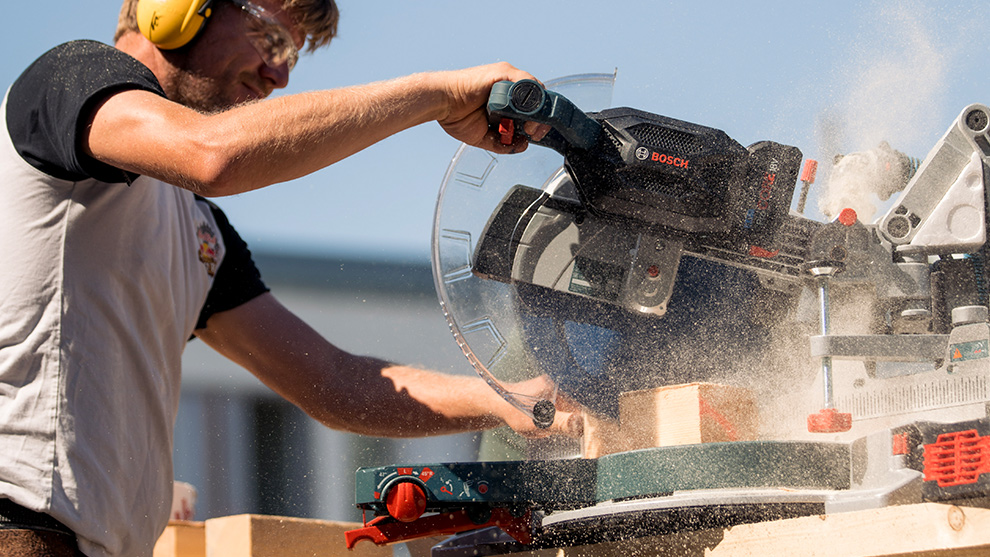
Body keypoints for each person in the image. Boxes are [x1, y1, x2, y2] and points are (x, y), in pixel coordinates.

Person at [0, 0, 578, 555]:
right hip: (20, 527)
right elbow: (212, 155)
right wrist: (438, 97)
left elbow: (332, 381)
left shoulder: (195, 227)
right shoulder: (70, 78)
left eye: (292, 56)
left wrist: (508, 400)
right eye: (270, 37)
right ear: (175, 9)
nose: (278, 74)